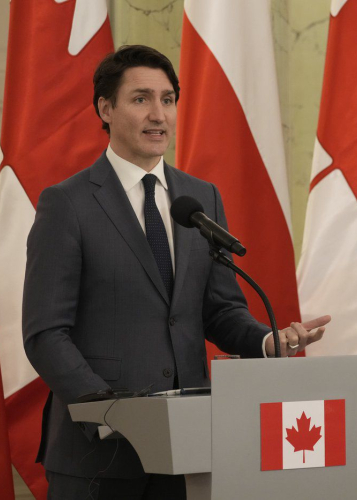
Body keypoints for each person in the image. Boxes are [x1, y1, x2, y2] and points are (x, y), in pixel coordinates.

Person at [22, 45, 330, 499]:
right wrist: (108, 410)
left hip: (188, 447)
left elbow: (220, 310)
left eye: (168, 99)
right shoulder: (67, 204)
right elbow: (45, 332)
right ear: (105, 109)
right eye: (141, 98)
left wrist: (268, 340)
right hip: (99, 455)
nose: (158, 114)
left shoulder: (199, 197)